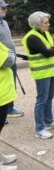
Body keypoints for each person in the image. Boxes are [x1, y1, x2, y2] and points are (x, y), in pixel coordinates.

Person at [21, 12, 54, 139]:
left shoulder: (44, 33)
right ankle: (39, 129)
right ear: (38, 24)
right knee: (42, 99)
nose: (48, 24)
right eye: (45, 22)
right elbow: (47, 52)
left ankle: (49, 121)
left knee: (49, 97)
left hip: (50, 71)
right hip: (41, 73)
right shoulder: (32, 37)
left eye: (48, 22)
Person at [0, 0, 24, 118]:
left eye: (5, 8)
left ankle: (9, 108)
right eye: (3, 8)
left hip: (11, 58)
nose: (5, 10)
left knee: (11, 83)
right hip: (2, 60)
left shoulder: (4, 23)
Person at [0, 42, 17, 170]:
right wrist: (10, 54)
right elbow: (9, 60)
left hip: (3, 93)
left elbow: (10, 51)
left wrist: (10, 54)